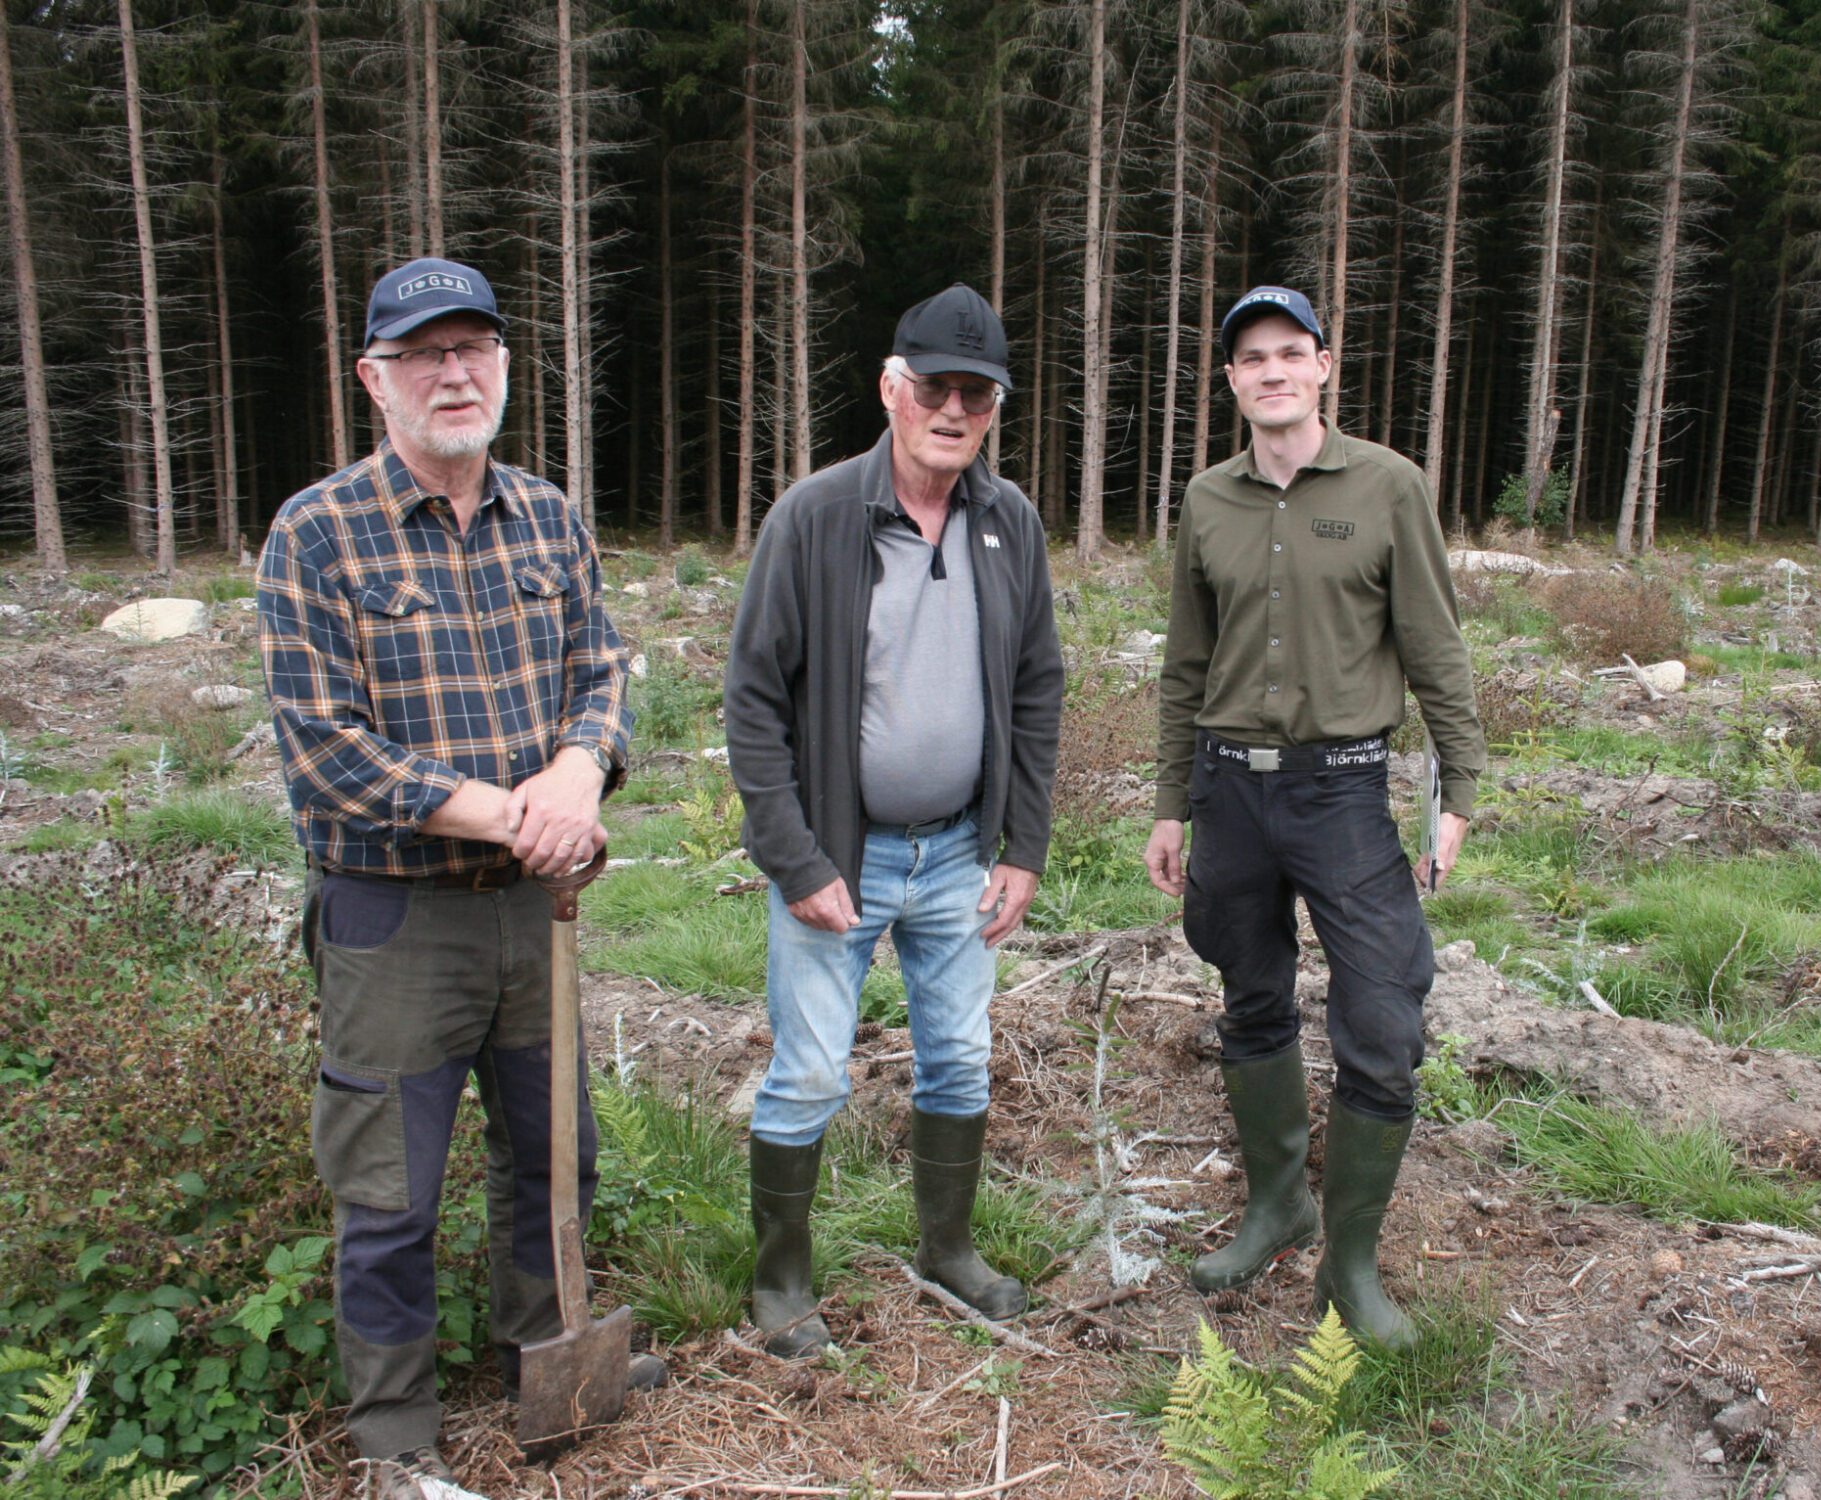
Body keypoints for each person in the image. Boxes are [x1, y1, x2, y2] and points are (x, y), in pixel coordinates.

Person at [258, 257, 657, 1500]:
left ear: (501, 366)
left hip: (533, 915)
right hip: (395, 919)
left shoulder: (550, 515)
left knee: (554, 1158)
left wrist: (583, 774)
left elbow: (604, 672)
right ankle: (396, 1443)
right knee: (388, 1190)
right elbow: (327, 749)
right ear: (373, 379)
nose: (454, 371)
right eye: (424, 353)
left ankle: (546, 1363)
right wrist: (510, 812)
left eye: (473, 347)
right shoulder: (316, 533)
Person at [1142, 286, 1485, 1350]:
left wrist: (1457, 791)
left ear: (1324, 366)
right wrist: (1168, 805)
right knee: (1251, 1000)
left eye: (1293, 352)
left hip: (1343, 791)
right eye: (1253, 357)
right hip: (1229, 792)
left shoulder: (1389, 487)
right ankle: (1276, 1206)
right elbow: (1185, 665)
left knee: (1384, 1019)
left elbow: (1435, 646)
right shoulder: (1207, 500)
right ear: (1233, 379)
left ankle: (1351, 1265)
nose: (1274, 370)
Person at [724, 283, 1063, 1358]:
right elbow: (753, 697)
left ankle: (947, 1251)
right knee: (813, 1069)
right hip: (839, 855)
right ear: (891, 388)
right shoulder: (816, 517)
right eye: (935, 387)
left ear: (996, 407)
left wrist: (1022, 847)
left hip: (961, 848)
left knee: (960, 1055)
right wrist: (794, 856)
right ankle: (781, 1283)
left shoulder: (1008, 524)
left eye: (978, 393)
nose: (954, 409)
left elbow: (1038, 686)